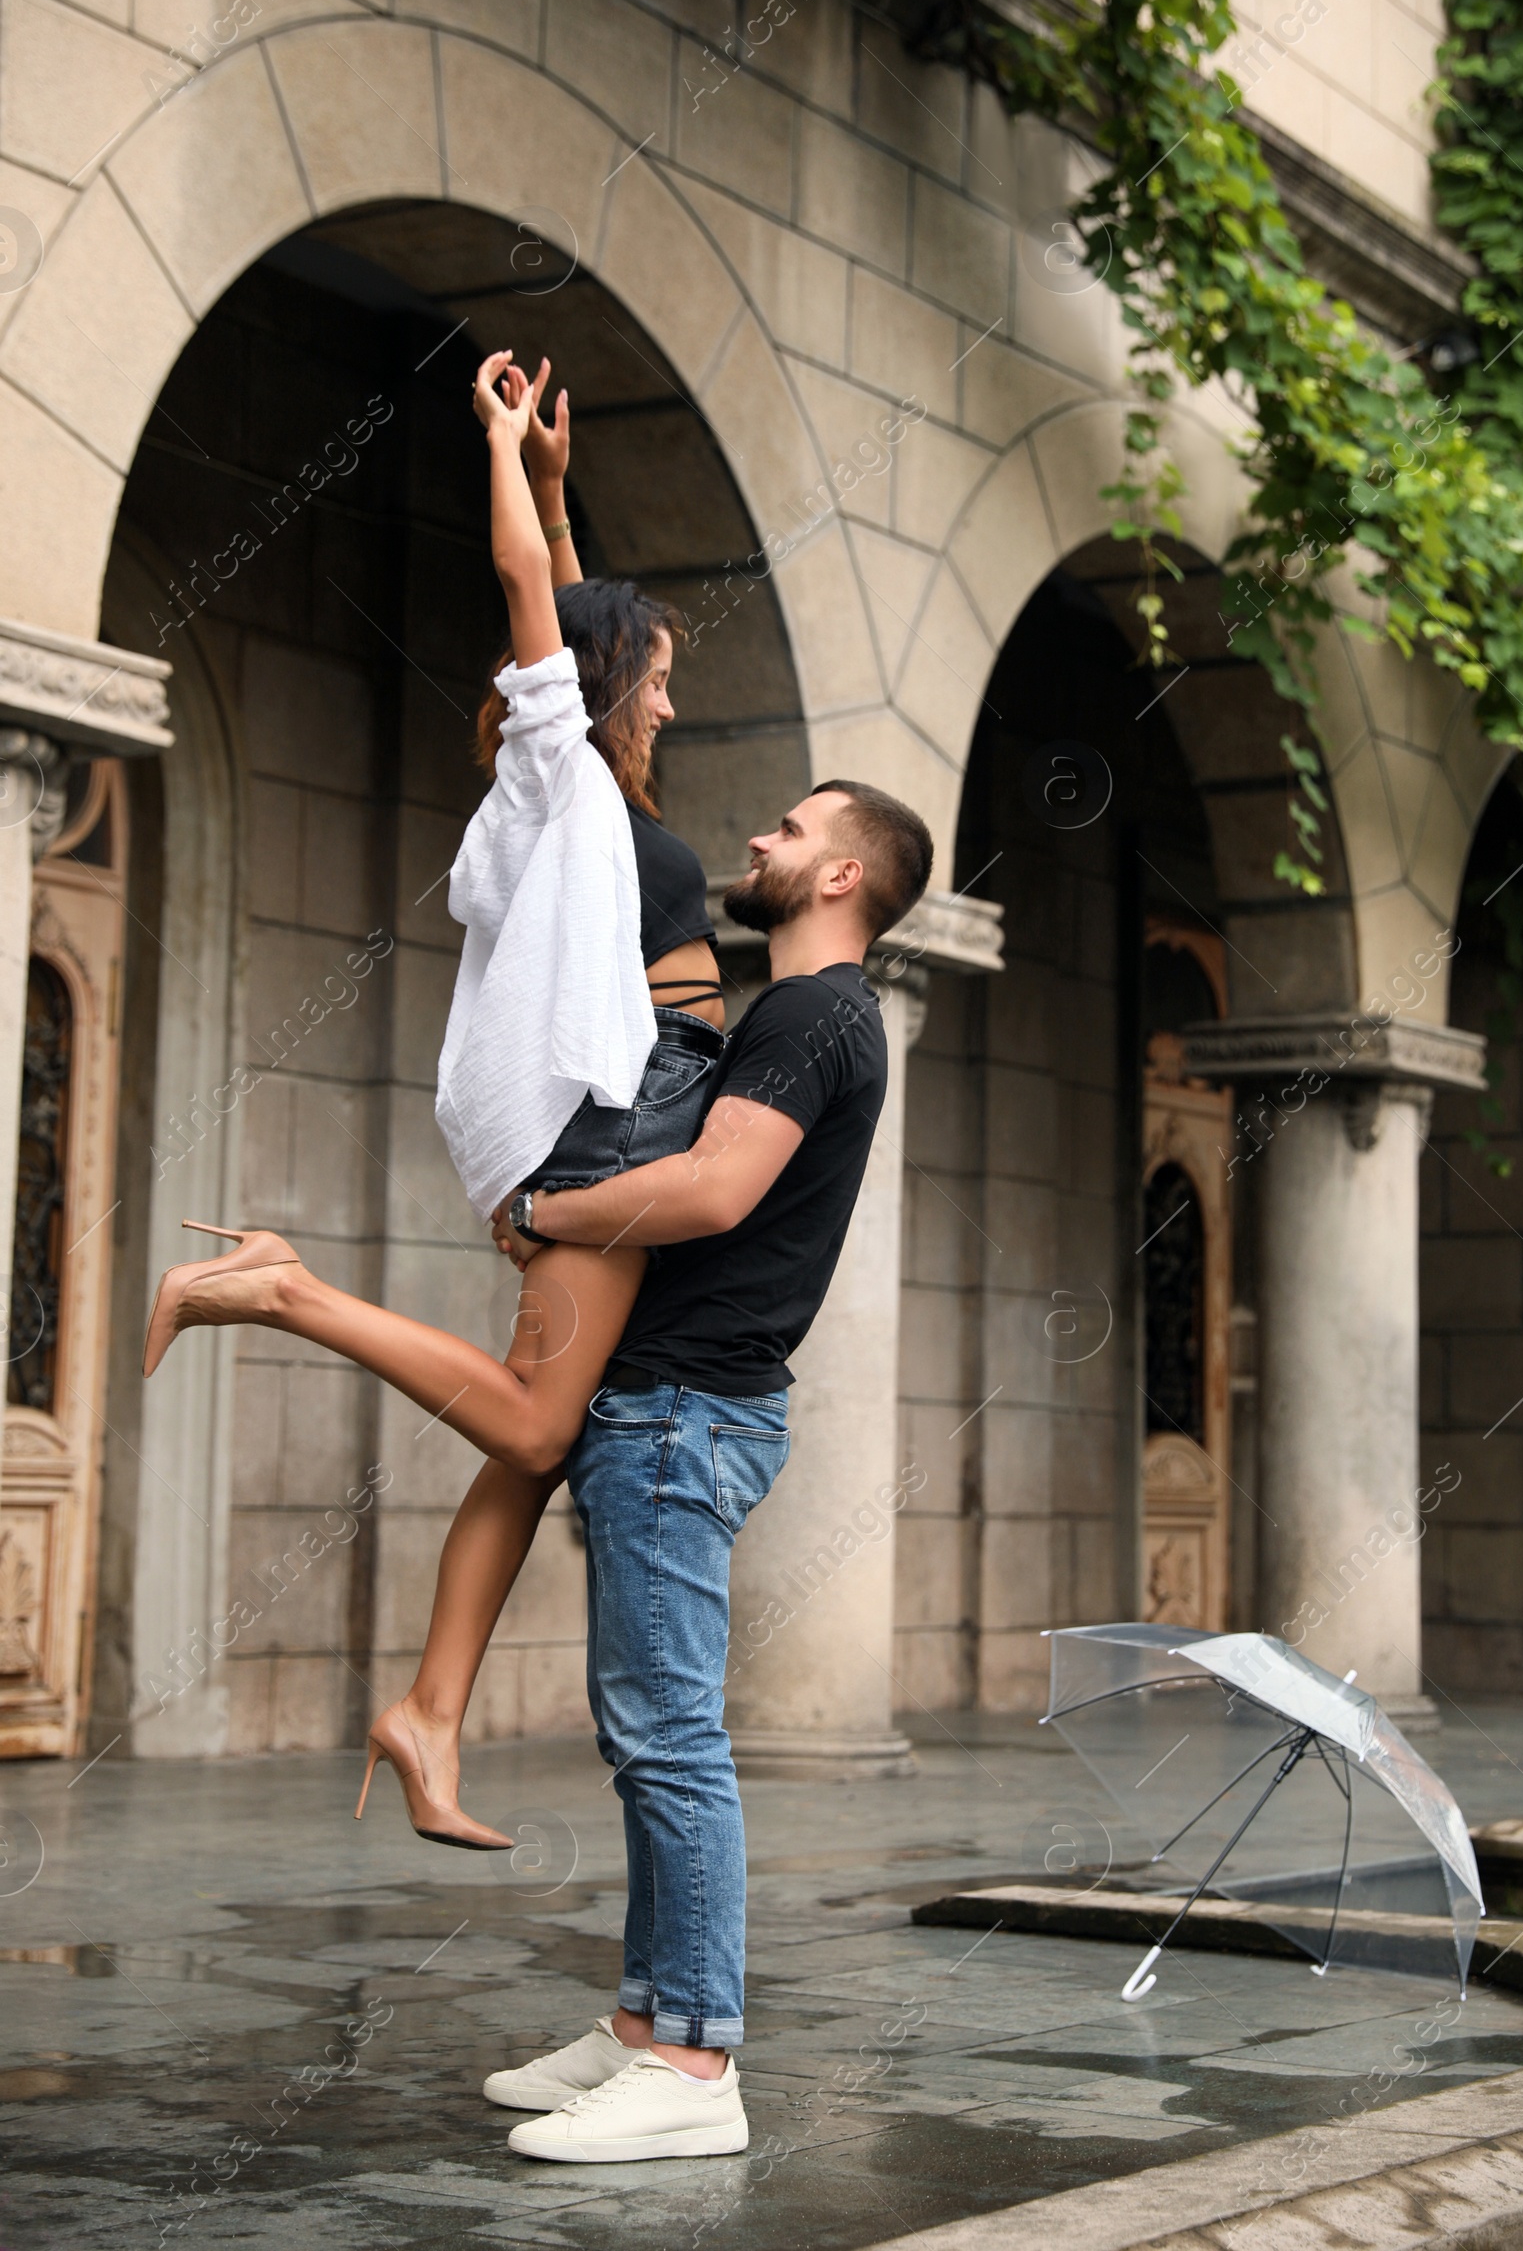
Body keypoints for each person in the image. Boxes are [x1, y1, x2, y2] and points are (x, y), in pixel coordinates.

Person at [143, 348, 728, 1847]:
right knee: (539, 1432)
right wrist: (501, 451)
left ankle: (428, 1713)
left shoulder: (596, 793)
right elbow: (546, 609)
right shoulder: (555, 770)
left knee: (529, 1443)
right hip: (593, 1127)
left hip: (592, 1118)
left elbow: (582, 616)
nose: (676, 680)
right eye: (658, 667)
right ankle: (278, 1291)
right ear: (602, 686)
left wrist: (555, 483)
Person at [484, 772, 933, 2165]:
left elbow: (716, 1188)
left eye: (795, 830)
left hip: (685, 1412)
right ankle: (643, 2024)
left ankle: (693, 2064)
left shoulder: (813, 1013)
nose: (761, 837)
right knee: (648, 1733)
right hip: (679, 1408)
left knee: (671, 1737)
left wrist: (547, 1206)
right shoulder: (802, 1018)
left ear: (848, 876)